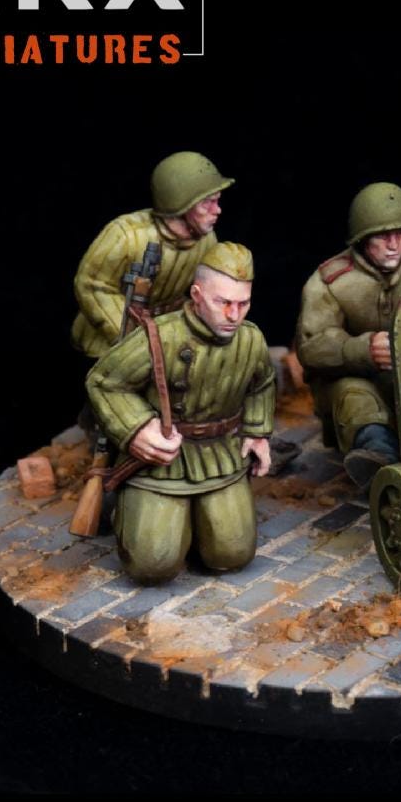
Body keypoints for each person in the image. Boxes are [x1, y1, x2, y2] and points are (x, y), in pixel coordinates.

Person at [86, 242, 274, 583]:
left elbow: (262, 382)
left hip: (220, 456)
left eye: (243, 303)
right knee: (152, 565)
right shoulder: (159, 337)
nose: (234, 315)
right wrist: (137, 428)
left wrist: (257, 432)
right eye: (223, 302)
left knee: (232, 554)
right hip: (160, 460)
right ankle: (134, 514)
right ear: (197, 295)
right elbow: (104, 381)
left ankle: (195, 526)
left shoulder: (250, 340)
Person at [296, 182, 401, 487]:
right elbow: (311, 347)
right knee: (354, 395)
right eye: (382, 236)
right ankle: (379, 457)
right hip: (356, 381)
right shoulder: (330, 282)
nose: (393, 244)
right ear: (362, 239)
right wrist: (363, 350)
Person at [72, 151, 233, 360]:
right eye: (207, 203)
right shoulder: (127, 235)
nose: (217, 210)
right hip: (107, 344)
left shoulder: (207, 240)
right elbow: (92, 285)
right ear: (181, 204)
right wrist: (133, 337)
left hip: (164, 341)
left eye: (217, 201)